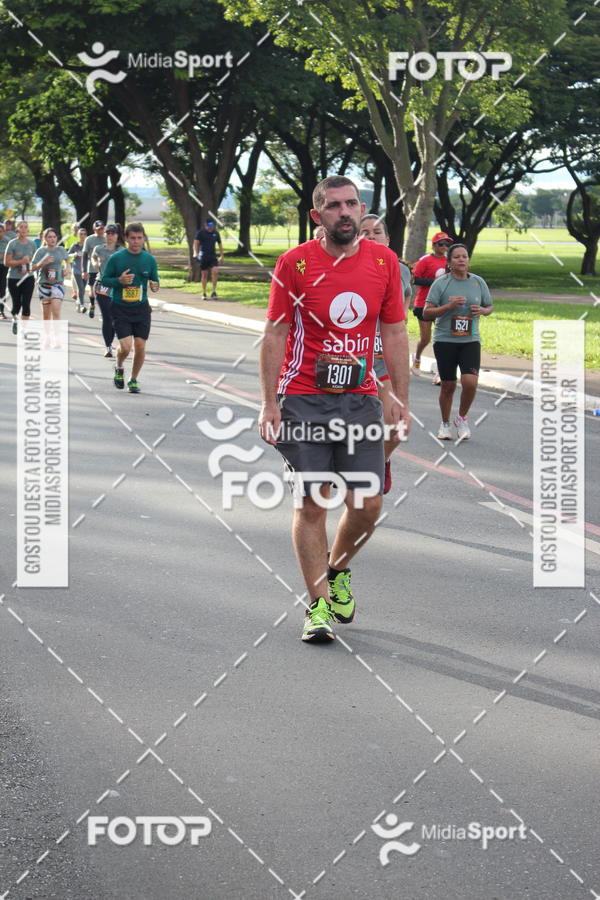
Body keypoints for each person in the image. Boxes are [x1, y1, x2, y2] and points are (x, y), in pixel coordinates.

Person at [259, 175, 410, 643]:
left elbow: (395, 333)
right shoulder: (295, 264)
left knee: (367, 505)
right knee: (312, 502)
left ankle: (338, 567)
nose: (345, 213)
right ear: (316, 215)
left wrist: (399, 399)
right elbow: (276, 335)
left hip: (361, 398)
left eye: (351, 204)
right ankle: (318, 605)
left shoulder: (384, 262)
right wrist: (270, 404)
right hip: (304, 395)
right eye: (334, 206)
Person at [359, 214, 412, 494]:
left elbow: (401, 315)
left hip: (383, 358)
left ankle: (381, 461)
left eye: (377, 232)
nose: (371, 237)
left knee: (397, 425)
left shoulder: (399, 270)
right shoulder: (344, 267)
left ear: (388, 239)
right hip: (352, 360)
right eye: (364, 232)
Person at [423, 243, 493, 441]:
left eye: (465, 256)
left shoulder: (478, 282)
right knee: (448, 385)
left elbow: (489, 306)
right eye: (457, 257)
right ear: (449, 262)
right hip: (445, 340)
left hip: (470, 340)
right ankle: (444, 424)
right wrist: (449, 306)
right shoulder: (441, 283)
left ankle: (461, 418)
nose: (462, 260)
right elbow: (427, 312)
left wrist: (482, 311)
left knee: (470, 382)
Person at [101, 222, 159, 393]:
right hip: (120, 307)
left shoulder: (149, 259)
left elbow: (155, 281)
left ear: (143, 239)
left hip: (141, 308)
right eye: (132, 238)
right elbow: (104, 280)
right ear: (126, 238)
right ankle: (119, 366)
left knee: (140, 346)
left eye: (139, 238)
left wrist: (155, 286)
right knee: (126, 347)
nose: (136, 241)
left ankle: (133, 380)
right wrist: (119, 281)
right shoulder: (116, 259)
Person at [411, 232, 453, 380]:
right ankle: (416, 357)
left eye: (446, 244)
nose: (443, 247)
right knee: (426, 338)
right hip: (424, 304)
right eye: (440, 244)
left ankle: (441, 370)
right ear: (434, 245)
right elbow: (414, 279)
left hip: (442, 304)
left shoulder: (450, 261)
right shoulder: (425, 260)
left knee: (442, 339)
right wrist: (434, 283)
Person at [31, 228, 70, 343]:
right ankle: (47, 335)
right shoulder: (41, 251)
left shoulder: (61, 250)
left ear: (56, 238)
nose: (52, 239)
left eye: (54, 237)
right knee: (46, 314)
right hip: (44, 285)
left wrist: (67, 269)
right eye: (49, 237)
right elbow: (32, 267)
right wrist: (43, 263)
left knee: (56, 310)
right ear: (45, 239)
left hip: (57, 284)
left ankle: (57, 337)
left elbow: (67, 261)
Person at [92, 223, 123, 357]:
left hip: (117, 285)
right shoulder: (99, 249)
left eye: (113, 233)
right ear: (104, 235)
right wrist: (96, 263)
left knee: (115, 317)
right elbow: (93, 259)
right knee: (106, 316)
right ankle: (108, 346)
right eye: (108, 233)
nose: (110, 236)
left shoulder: (121, 251)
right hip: (102, 285)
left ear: (117, 235)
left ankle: (117, 342)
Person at [4, 221, 37, 335]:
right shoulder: (12, 243)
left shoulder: (32, 244)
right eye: (21, 227)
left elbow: (35, 262)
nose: (23, 229)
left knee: (26, 303)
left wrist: (33, 266)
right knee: (17, 304)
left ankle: (24, 329)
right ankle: (15, 319)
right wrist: (21, 262)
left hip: (28, 277)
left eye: (25, 227)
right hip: (14, 278)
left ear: (28, 230)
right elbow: (6, 262)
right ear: (17, 229)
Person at [193, 219, 224, 299]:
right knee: (204, 275)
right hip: (204, 256)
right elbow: (195, 243)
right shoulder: (201, 233)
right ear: (205, 226)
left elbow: (220, 244)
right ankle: (204, 292)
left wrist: (222, 255)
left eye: (212, 227)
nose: (210, 228)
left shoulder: (216, 233)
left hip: (213, 256)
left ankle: (214, 292)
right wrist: (195, 253)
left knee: (215, 271)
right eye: (209, 227)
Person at [82, 220, 106, 318]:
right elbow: (84, 254)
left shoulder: (107, 238)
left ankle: (102, 309)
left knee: (103, 290)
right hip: (92, 268)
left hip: (104, 269)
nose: (100, 231)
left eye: (102, 228)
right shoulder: (89, 239)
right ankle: (92, 304)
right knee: (92, 289)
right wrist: (84, 270)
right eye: (98, 229)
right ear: (94, 229)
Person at [68, 226, 88, 312]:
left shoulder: (88, 246)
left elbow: (93, 255)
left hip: (86, 270)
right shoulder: (75, 245)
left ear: (86, 235)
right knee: (80, 288)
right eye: (80, 234)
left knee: (83, 288)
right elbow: (68, 255)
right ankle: (82, 305)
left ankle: (78, 302)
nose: (82, 236)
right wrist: (75, 254)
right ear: (77, 235)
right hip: (76, 269)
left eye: (84, 234)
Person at [0, 224, 9, 318]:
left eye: (1, 231)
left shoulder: (7, 241)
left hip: (4, 266)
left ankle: (1, 311)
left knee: (2, 289)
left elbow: (11, 252)